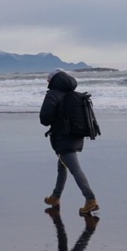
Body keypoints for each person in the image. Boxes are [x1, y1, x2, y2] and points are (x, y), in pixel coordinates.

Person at [39, 69, 98, 214]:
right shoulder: (73, 94)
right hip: (75, 135)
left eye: (48, 78)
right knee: (62, 166)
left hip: (62, 137)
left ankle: (90, 199)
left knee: (74, 169)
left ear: (54, 80)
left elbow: (44, 119)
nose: (47, 81)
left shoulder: (53, 94)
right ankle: (55, 196)